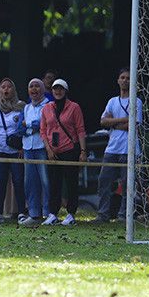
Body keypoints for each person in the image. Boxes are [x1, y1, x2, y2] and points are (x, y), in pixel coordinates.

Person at [97, 69, 143, 222]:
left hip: (129, 149)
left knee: (128, 185)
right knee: (104, 182)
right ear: (118, 80)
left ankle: (124, 215)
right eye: (122, 78)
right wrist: (123, 119)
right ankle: (103, 214)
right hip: (112, 148)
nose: (125, 81)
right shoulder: (112, 101)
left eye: (128, 78)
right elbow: (103, 122)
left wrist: (113, 122)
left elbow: (133, 124)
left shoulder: (136, 101)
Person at [40, 78, 88, 226]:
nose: (58, 91)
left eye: (61, 89)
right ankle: (53, 213)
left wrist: (82, 151)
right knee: (54, 183)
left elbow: (80, 129)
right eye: (55, 89)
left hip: (69, 149)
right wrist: (48, 149)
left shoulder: (74, 107)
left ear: (66, 91)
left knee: (71, 182)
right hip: (53, 151)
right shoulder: (47, 108)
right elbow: (43, 130)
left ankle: (71, 213)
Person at [0, 78, 26, 224]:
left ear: (13, 89)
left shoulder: (21, 107)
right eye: (3, 87)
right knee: (0, 181)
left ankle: (21, 212)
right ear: (0, 90)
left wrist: (22, 148)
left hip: (15, 151)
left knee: (18, 181)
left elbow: (24, 130)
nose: (6, 90)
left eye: (9, 87)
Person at [20, 78, 50, 227]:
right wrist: (34, 127)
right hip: (28, 148)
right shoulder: (26, 108)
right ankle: (34, 213)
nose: (34, 89)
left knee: (46, 181)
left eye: (37, 86)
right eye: (31, 86)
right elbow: (19, 128)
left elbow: (45, 124)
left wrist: (29, 125)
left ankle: (49, 213)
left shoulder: (48, 106)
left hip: (42, 147)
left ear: (42, 89)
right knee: (30, 182)